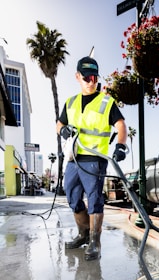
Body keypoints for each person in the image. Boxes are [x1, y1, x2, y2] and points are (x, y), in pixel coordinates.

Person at [56, 56, 127, 261]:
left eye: (94, 77)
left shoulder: (106, 102)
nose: (91, 81)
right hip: (74, 159)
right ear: (78, 77)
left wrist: (121, 145)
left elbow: (121, 125)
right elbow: (59, 124)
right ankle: (83, 234)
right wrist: (63, 131)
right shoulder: (70, 102)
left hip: (95, 159)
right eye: (86, 77)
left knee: (95, 200)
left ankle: (95, 242)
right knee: (73, 198)